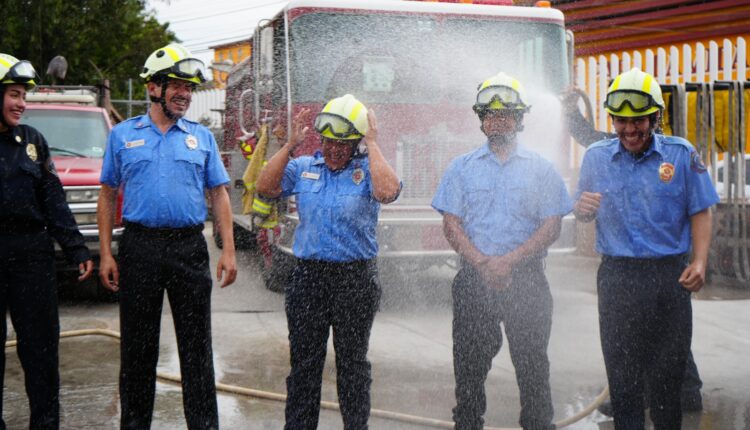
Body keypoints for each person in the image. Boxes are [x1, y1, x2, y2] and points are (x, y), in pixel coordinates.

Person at [97, 43, 237, 430]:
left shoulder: (201, 137)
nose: (185, 94)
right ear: (152, 88)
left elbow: (219, 194)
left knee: (197, 350)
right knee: (137, 351)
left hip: (189, 249)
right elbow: (108, 194)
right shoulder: (123, 136)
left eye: (189, 88)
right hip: (139, 248)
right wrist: (107, 254)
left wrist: (227, 250)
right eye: (176, 85)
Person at [573, 68, 718, 429]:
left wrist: (699, 261)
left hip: (669, 279)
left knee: (668, 388)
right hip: (617, 280)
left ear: (655, 117)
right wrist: (582, 210)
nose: (629, 130)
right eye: (621, 122)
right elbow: (582, 212)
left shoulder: (681, 156)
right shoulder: (595, 158)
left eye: (638, 121)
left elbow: (700, 208)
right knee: (624, 388)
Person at [432, 72, 573, 430]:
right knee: (468, 371)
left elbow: (551, 225)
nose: (498, 120)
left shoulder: (541, 170)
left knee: (533, 369)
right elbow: (451, 224)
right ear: (481, 119)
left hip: (526, 281)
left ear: (521, 118)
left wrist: (508, 262)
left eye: (507, 114)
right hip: (473, 281)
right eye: (491, 114)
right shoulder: (460, 169)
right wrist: (481, 263)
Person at [255, 94, 401, 429]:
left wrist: (373, 144)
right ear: (320, 138)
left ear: (356, 143)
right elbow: (264, 186)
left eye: (344, 143)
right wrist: (290, 144)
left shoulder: (368, 171)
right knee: (305, 366)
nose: (335, 149)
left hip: (355, 281)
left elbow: (388, 192)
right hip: (309, 280)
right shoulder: (304, 167)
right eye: (329, 141)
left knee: (352, 365)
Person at [0, 53, 94, 429]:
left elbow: (53, 200)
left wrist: (76, 248)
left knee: (40, 352)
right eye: (13, 94)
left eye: (23, 95)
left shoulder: (33, 141)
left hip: (32, 258)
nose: (21, 103)